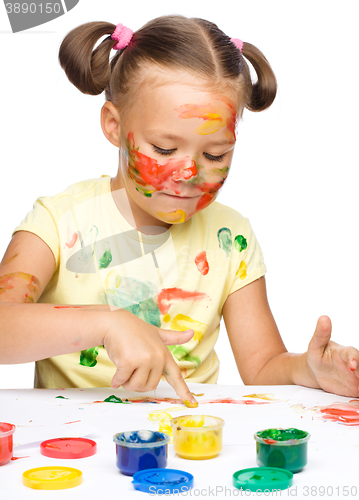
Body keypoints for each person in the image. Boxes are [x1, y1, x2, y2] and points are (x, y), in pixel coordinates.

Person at [0, 16, 358, 404]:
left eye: (215, 153)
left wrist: (308, 369)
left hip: (193, 443)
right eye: (165, 150)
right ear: (113, 126)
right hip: (74, 451)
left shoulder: (230, 238)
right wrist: (105, 324)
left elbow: (263, 365)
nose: (189, 173)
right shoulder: (58, 221)